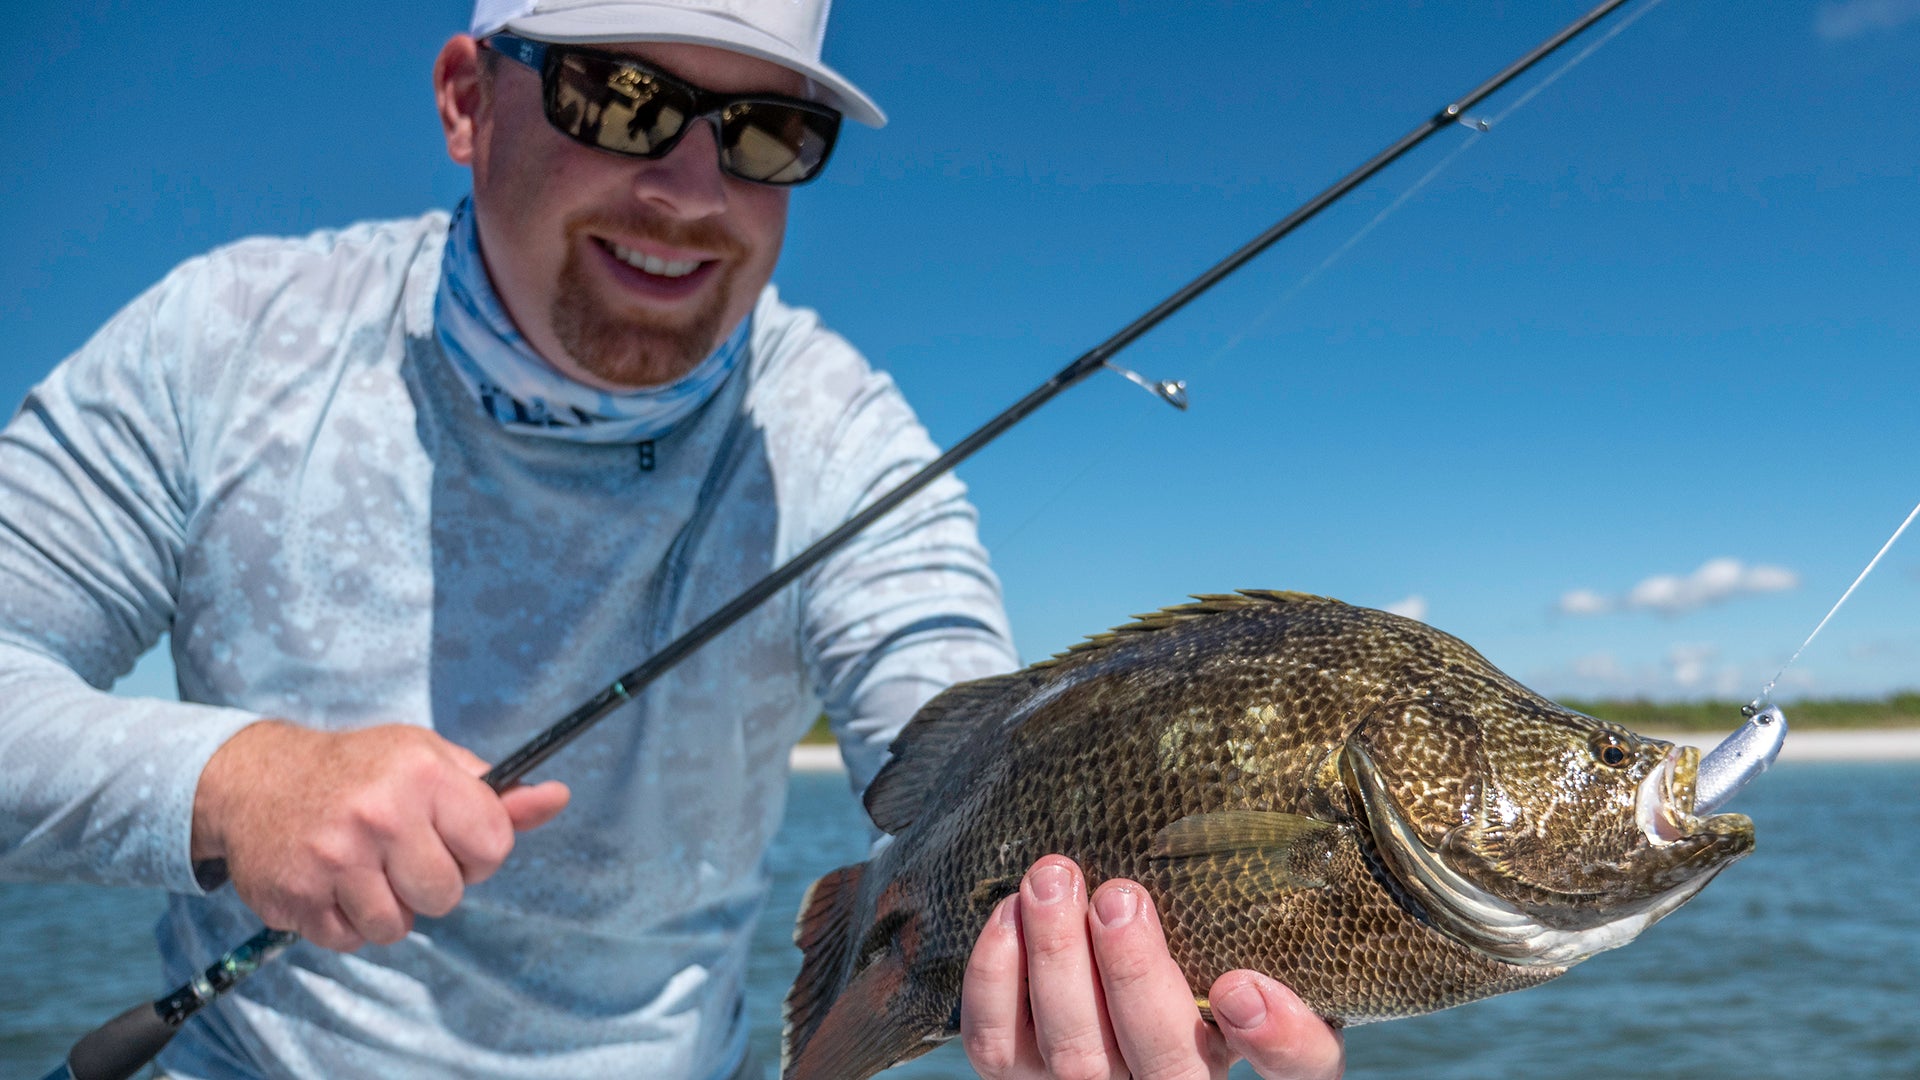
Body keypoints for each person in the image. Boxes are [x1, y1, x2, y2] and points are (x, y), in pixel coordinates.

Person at [0, 1, 1344, 1077]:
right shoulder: (224, 340)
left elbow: (959, 737)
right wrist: (234, 781)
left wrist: (1090, 952)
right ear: (469, 101)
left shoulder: (843, 431)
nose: (691, 189)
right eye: (620, 100)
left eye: (765, 132)